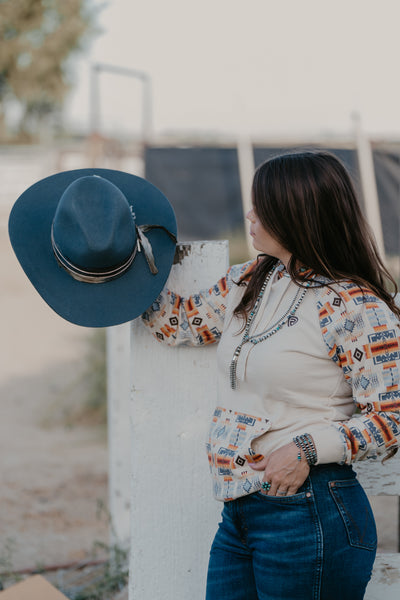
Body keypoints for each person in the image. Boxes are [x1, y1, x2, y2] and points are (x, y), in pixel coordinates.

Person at [141, 151, 400, 600]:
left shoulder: (354, 306)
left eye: (262, 206)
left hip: (311, 510)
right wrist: (114, 260)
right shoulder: (251, 280)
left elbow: (392, 416)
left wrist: (306, 449)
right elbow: (177, 322)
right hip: (240, 513)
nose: (249, 215)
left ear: (296, 213)